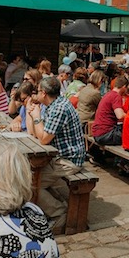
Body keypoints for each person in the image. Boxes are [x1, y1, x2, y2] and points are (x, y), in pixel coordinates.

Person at [26, 76, 85, 233]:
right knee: (31, 176)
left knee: (30, 184)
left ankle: (59, 213)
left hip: (69, 160)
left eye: (37, 91)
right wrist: (30, 114)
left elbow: (44, 139)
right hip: (58, 157)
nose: (35, 95)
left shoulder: (59, 108)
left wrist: (37, 117)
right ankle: (56, 205)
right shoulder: (53, 105)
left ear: (43, 93)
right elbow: (34, 134)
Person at [91, 74, 129, 145]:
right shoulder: (116, 96)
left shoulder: (108, 94)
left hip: (97, 132)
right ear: (124, 87)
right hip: (105, 134)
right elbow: (120, 116)